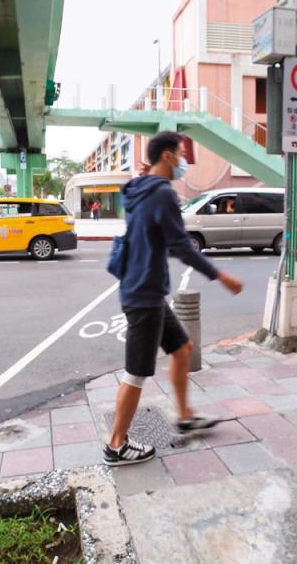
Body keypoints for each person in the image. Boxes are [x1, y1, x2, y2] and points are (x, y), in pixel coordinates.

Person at [103, 131, 244, 466]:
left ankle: (184, 415)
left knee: (182, 349)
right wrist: (220, 276)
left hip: (144, 289)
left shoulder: (137, 187)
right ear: (166, 156)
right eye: (180, 155)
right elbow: (180, 245)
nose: (183, 161)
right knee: (136, 373)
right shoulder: (162, 193)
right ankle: (115, 445)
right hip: (144, 295)